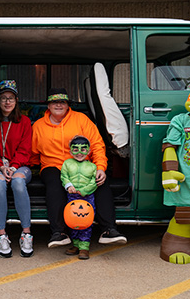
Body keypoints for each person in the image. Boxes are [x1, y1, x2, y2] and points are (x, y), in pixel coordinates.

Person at [30, 88, 127, 248]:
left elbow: (96, 144)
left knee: (101, 183)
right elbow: (33, 153)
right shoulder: (39, 126)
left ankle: (109, 230)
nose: (58, 105)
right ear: (48, 105)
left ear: (68, 105)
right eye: (54, 102)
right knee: (54, 183)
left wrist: (101, 167)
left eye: (62, 102)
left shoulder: (81, 120)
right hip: (53, 165)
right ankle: (58, 233)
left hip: (83, 165)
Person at [0, 80, 33, 258]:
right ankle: (1, 235)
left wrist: (13, 167)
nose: (8, 102)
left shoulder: (25, 121)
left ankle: (26, 233)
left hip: (19, 166)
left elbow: (25, 149)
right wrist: (0, 165)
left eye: (11, 98)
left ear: (16, 101)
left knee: (18, 181)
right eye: (4, 98)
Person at [61, 135, 97, 260]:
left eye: (83, 149)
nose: (79, 153)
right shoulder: (67, 163)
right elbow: (64, 176)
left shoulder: (92, 166)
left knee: (85, 223)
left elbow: (94, 182)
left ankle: (84, 248)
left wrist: (84, 190)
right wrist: (68, 185)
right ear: (70, 151)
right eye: (75, 149)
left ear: (88, 151)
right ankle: (76, 245)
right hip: (72, 197)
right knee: (73, 221)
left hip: (87, 198)